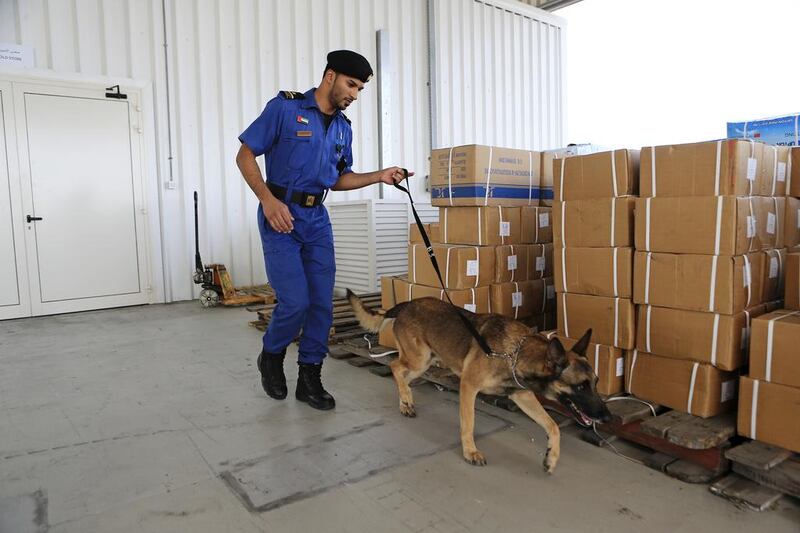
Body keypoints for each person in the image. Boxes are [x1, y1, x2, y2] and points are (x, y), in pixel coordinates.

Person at [236, 50, 413, 411]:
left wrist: (380, 176)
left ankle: (309, 377)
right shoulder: (285, 109)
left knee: (321, 306)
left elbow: (338, 179)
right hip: (280, 216)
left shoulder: (343, 128)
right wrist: (268, 201)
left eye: (361, 89)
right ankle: (271, 354)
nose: (355, 94)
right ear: (330, 76)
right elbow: (245, 154)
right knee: (295, 302)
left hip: (317, 221)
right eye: (352, 84)